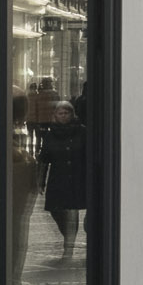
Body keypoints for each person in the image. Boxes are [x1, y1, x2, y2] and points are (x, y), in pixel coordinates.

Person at [40, 101, 89, 259]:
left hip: (77, 178)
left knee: (71, 213)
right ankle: (68, 237)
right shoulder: (50, 134)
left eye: (66, 113)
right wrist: (40, 179)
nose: (63, 116)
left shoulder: (82, 132)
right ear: (55, 116)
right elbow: (44, 158)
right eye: (60, 113)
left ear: (72, 114)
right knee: (56, 210)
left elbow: (89, 154)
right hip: (58, 178)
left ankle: (68, 248)